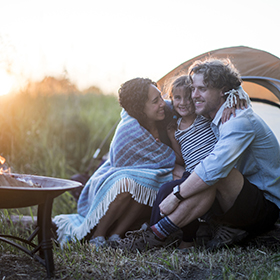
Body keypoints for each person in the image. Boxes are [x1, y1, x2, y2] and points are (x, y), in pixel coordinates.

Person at [113, 58, 280, 251]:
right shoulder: (211, 111)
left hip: (264, 207)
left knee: (213, 173)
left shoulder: (237, 119)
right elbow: (146, 106)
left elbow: (214, 167)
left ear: (223, 91)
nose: (194, 95)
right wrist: (238, 92)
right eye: (193, 88)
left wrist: (177, 196)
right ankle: (161, 232)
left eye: (202, 89)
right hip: (236, 198)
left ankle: (156, 234)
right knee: (201, 178)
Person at [53, 77, 176, 247]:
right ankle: (98, 235)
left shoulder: (169, 114)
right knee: (127, 183)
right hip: (115, 176)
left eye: (161, 97)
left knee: (148, 182)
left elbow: (191, 102)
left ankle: (116, 236)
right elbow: (120, 166)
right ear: (140, 109)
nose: (163, 103)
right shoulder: (128, 130)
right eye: (156, 101)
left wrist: (227, 102)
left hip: (152, 178)